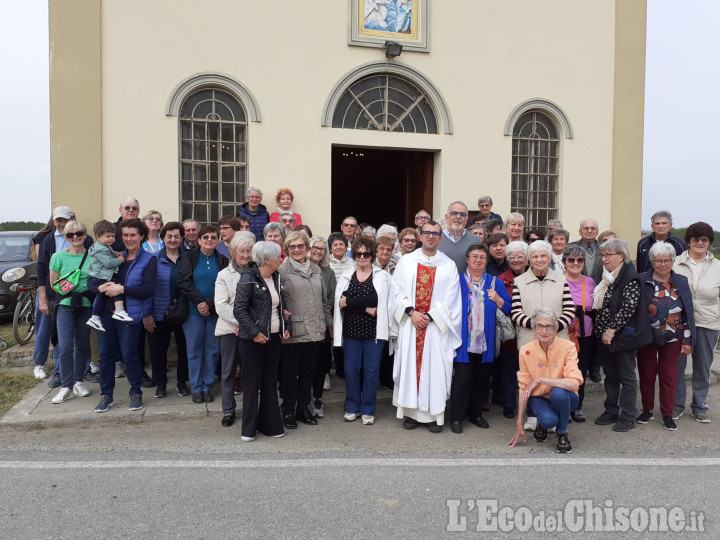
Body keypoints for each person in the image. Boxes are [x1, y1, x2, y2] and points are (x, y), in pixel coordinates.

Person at [391, 220, 462, 433]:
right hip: (411, 324)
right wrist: (412, 313)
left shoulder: (448, 265)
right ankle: (411, 414)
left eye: (435, 233)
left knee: (435, 370)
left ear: (440, 238)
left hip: (434, 329)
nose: (431, 236)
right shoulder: (406, 261)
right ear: (420, 236)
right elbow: (396, 291)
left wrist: (429, 317)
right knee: (410, 367)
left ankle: (433, 416)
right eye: (427, 233)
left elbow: (452, 299)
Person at [92, 218, 158, 413]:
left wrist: (122, 288)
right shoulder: (110, 256)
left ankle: (136, 392)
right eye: (126, 235)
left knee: (130, 355)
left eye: (133, 235)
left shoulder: (148, 260)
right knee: (105, 356)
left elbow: (148, 290)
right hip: (105, 313)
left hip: (130, 315)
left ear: (142, 237)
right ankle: (106, 395)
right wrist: (98, 286)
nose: (129, 239)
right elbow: (91, 280)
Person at [450, 243, 512, 434]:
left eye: (482, 257)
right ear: (467, 260)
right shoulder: (457, 281)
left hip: (487, 343)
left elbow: (508, 308)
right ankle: (456, 417)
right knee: (461, 380)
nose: (478, 260)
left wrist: (498, 300)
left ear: (487, 261)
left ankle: (476, 415)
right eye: (474, 256)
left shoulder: (495, 283)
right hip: (463, 342)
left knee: (481, 380)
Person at [234, 241, 290, 442]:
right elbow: (239, 310)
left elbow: (279, 307)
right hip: (253, 340)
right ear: (266, 259)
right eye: (278, 256)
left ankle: (270, 425)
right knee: (251, 383)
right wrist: (255, 333)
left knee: (269, 380)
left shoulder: (276, 277)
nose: (281, 259)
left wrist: (286, 327)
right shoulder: (247, 278)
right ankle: (248, 429)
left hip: (273, 338)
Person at [593, 238, 650, 432]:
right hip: (603, 337)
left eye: (608, 255)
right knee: (610, 375)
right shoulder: (607, 277)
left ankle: (628, 416)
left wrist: (611, 330)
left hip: (621, 336)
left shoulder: (629, 277)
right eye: (603, 255)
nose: (605, 259)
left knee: (626, 377)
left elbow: (628, 308)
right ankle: (611, 411)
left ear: (621, 256)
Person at [636, 242, 695, 431]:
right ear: (652, 261)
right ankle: (647, 410)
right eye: (659, 260)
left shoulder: (681, 281)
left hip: (674, 336)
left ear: (672, 261)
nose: (663, 264)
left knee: (669, 376)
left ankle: (668, 414)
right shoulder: (642, 279)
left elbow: (687, 313)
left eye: (667, 260)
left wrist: (687, 340)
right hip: (647, 336)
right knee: (646, 374)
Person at [334, 236, 392, 425]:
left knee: (371, 370)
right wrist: (365, 308)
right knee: (351, 371)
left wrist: (351, 302)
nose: (362, 257)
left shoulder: (382, 277)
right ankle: (352, 407)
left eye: (366, 253)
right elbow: (341, 303)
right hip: (351, 332)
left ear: (372, 255)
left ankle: (368, 409)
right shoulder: (346, 276)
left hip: (374, 333)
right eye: (358, 253)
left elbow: (377, 302)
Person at [508, 309, 583, 454]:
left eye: (549, 326)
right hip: (539, 397)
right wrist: (519, 424)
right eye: (539, 326)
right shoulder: (525, 350)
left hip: (566, 397)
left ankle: (562, 433)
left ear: (555, 329)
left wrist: (541, 380)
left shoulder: (568, 346)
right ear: (534, 330)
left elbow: (574, 383)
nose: (544, 331)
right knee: (549, 420)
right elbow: (524, 388)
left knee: (558, 394)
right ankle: (543, 424)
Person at [278, 232, 332, 429]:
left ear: (307, 248)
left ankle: (303, 408)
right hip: (294, 330)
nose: (297, 249)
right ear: (287, 249)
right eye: (292, 247)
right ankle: (288, 411)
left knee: (308, 372)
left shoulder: (316, 269)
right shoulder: (282, 270)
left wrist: (328, 324)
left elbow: (324, 301)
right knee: (290, 374)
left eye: (300, 246)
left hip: (315, 329)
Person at [36, 206, 93, 385]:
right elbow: (43, 270)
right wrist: (43, 298)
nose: (61, 224)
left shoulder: (89, 243)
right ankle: (60, 374)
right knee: (59, 338)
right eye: (58, 220)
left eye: (64, 220)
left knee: (82, 342)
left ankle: (82, 374)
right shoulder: (49, 241)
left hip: (84, 301)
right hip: (60, 298)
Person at [672, 222, 720, 423]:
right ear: (688, 241)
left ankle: (699, 405)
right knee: (676, 367)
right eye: (696, 239)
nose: (700, 243)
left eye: (704, 239)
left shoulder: (718, 266)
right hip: (679, 323)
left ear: (709, 242)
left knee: (702, 366)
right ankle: (676, 405)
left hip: (708, 322)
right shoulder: (675, 263)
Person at [177, 224, 229, 403]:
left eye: (213, 237)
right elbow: (184, 282)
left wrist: (208, 304)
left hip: (215, 313)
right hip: (193, 313)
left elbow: (226, 287)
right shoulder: (189, 257)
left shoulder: (222, 260)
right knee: (194, 351)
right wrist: (199, 302)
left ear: (217, 241)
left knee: (213, 351)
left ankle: (207, 387)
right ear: (198, 240)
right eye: (205, 237)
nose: (209, 240)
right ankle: (196, 387)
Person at [48, 221, 95, 404]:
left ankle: (78, 382)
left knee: (83, 345)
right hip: (66, 304)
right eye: (70, 234)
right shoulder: (58, 257)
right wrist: (71, 288)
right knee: (65, 346)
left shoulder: (92, 256)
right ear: (66, 237)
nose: (75, 237)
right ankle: (66, 386)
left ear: (85, 234)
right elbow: (54, 284)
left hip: (85, 304)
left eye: (79, 233)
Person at [214, 231, 255, 427]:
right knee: (228, 371)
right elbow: (221, 306)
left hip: (251, 330)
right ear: (233, 252)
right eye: (242, 251)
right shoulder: (223, 275)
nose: (246, 255)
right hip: (229, 329)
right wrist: (241, 323)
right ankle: (228, 410)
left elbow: (260, 303)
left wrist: (247, 325)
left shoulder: (257, 273)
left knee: (251, 371)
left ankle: (250, 408)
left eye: (249, 251)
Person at [145, 222, 190, 398]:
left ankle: (181, 383)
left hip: (183, 312)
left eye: (176, 236)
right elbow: (147, 289)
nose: (173, 239)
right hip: (158, 312)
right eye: (169, 236)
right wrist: (147, 314)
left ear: (181, 238)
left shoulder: (189, 258)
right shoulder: (153, 259)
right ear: (163, 238)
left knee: (184, 350)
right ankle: (161, 385)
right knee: (157, 351)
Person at [511, 240, 575, 349]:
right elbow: (516, 312)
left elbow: (569, 309)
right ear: (529, 260)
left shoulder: (561, 280)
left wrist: (552, 328)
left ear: (549, 259)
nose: (539, 260)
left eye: (543, 256)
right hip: (529, 340)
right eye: (535, 257)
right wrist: (538, 327)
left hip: (558, 338)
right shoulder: (519, 282)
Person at [562, 244, 596, 422]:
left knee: (580, 371)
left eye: (580, 260)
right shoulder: (558, 281)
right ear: (564, 262)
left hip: (585, 335)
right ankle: (563, 406)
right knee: (562, 372)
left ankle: (577, 406)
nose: (576, 263)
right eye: (571, 259)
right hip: (563, 335)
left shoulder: (589, 282)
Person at [495, 241, 529, 418]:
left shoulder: (534, 277)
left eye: (519, 256)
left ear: (526, 258)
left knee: (530, 371)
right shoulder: (500, 280)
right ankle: (509, 404)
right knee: (509, 371)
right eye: (512, 257)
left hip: (531, 334)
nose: (516, 260)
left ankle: (531, 407)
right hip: (510, 335)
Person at [85, 220, 131, 333]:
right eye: (108, 236)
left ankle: (95, 317)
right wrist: (119, 260)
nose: (111, 239)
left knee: (101, 296)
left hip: (102, 275)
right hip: (103, 276)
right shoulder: (100, 249)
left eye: (113, 236)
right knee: (118, 288)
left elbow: (108, 252)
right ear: (98, 236)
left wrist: (115, 253)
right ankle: (119, 310)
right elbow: (108, 263)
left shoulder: (102, 246)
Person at [309, 236, 336, 417]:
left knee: (320, 364)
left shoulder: (328, 271)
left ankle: (318, 400)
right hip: (303, 324)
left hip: (323, 322)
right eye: (315, 248)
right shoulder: (300, 267)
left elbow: (332, 297)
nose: (318, 251)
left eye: (322, 249)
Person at [327, 231, 355, 378]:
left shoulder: (353, 263)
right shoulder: (326, 263)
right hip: (330, 306)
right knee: (330, 337)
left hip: (347, 305)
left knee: (344, 337)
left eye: (341, 244)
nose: (338, 247)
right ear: (330, 248)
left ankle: (341, 368)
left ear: (346, 247)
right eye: (335, 245)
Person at [438, 201, 477, 273]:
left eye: (462, 214)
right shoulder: (435, 239)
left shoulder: (475, 241)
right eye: (454, 213)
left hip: (466, 283)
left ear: (466, 220)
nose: (458, 217)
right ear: (447, 217)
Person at [568, 218, 603, 284]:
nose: (589, 231)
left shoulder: (604, 249)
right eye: (586, 228)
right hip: (576, 289)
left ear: (597, 232)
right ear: (580, 231)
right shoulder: (569, 248)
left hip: (600, 290)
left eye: (593, 228)